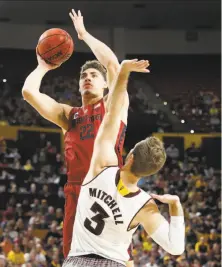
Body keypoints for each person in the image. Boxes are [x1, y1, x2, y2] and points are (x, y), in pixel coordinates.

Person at [22, 9, 133, 263]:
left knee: (117, 259)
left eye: (94, 75)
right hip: (76, 192)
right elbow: (28, 92)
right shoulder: (68, 115)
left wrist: (83, 35)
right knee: (74, 259)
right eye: (83, 75)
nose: (87, 78)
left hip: (108, 189)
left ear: (106, 85)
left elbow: (113, 65)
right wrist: (42, 66)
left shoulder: (114, 105)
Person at [62, 59, 185, 267]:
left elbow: (112, 112)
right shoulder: (145, 206)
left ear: (130, 157)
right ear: (149, 172)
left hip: (77, 261)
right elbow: (176, 248)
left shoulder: (101, 165)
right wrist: (175, 206)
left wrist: (123, 73)